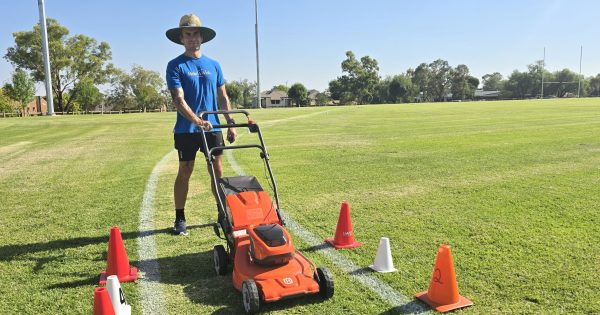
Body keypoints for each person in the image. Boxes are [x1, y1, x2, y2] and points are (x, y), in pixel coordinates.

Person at [165, 14, 237, 235]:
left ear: (201, 37)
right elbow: (178, 99)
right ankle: (180, 218)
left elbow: (222, 96)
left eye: (195, 34)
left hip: (212, 128)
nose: (192, 38)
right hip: (187, 130)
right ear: (181, 38)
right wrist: (196, 120)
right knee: (185, 170)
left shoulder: (214, 65)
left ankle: (221, 213)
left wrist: (230, 122)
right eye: (188, 34)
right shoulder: (175, 65)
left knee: (216, 171)